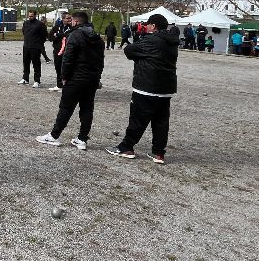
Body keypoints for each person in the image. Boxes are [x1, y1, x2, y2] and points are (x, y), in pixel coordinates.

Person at [106, 13, 178, 164]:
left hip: (147, 86)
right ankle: (158, 152)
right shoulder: (172, 41)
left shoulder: (151, 39)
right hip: (166, 89)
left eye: (148, 25)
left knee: (138, 119)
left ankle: (126, 147)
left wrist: (141, 38)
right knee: (161, 121)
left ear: (153, 26)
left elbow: (129, 50)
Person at [37, 11, 104, 151]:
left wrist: (64, 77)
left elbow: (68, 59)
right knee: (87, 109)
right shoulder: (97, 38)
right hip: (91, 79)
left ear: (76, 22)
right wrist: (97, 78)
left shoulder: (75, 35)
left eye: (72, 21)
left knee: (66, 107)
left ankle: (54, 136)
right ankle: (82, 139)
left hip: (76, 78)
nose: (71, 22)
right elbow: (100, 61)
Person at [20, 10, 44, 88]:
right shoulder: (26, 23)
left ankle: (37, 81)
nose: (30, 17)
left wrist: (38, 43)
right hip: (26, 46)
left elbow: (44, 35)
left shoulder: (40, 24)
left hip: (35, 47)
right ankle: (25, 78)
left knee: (36, 64)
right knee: (26, 63)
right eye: (29, 16)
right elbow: (24, 32)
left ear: (35, 16)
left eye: (32, 16)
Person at [48, 12, 70, 90]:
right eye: (67, 18)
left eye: (70, 18)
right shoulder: (57, 27)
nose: (69, 20)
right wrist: (57, 37)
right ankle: (59, 85)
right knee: (58, 67)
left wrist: (58, 35)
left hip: (67, 51)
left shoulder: (71, 27)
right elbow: (50, 37)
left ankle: (66, 86)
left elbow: (69, 36)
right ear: (63, 19)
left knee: (66, 68)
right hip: (57, 50)